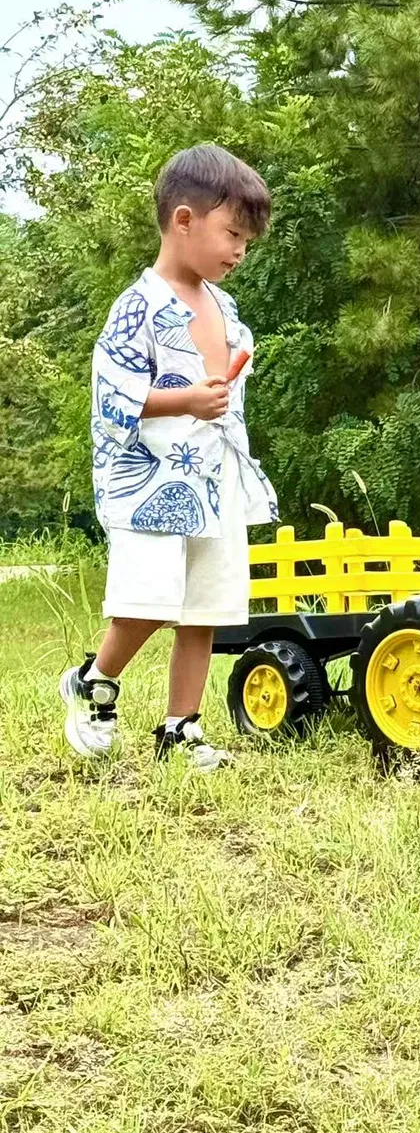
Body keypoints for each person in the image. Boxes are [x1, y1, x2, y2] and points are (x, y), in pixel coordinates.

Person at [59, 144, 278, 771]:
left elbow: (225, 393)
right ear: (184, 220)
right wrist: (184, 398)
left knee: (205, 606)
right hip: (150, 481)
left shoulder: (224, 307)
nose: (239, 251)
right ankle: (93, 681)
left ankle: (181, 726)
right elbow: (112, 396)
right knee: (149, 600)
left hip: (212, 476)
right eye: (232, 233)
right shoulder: (140, 307)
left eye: (246, 240)